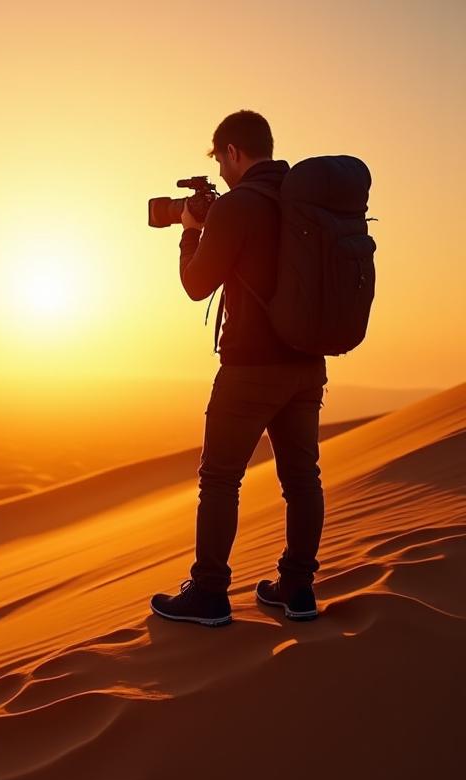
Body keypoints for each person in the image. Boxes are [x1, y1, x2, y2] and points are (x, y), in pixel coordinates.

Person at [150, 110, 328, 626]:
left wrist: (190, 231)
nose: (223, 174)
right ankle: (298, 589)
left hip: (250, 368)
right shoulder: (301, 202)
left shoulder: (239, 206)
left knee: (220, 480)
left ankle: (208, 594)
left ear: (233, 152)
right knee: (302, 479)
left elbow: (196, 285)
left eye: (221, 160)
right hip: (305, 366)